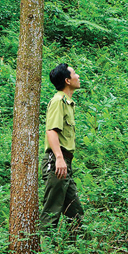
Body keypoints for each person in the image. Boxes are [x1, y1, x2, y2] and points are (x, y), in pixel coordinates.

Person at [38, 64, 84, 231]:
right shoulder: (58, 101)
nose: (78, 76)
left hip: (65, 162)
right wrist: (58, 158)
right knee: (51, 212)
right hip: (57, 161)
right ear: (67, 80)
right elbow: (51, 131)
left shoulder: (68, 103)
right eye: (74, 73)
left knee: (75, 213)